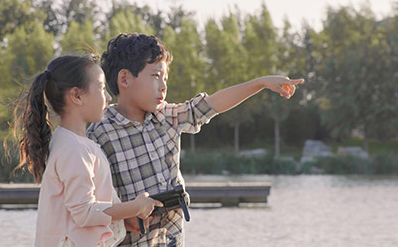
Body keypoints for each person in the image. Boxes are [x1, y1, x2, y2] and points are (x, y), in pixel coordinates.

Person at [87, 33, 304, 246]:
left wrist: (261, 83)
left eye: (165, 78)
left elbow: (212, 105)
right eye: (155, 76)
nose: (163, 86)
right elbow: (91, 203)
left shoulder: (166, 116)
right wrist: (123, 217)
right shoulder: (101, 131)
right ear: (124, 78)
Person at [8, 54, 163, 247]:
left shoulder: (66, 141)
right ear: (77, 96)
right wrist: (136, 207)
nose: (108, 97)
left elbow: (77, 212)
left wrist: (123, 218)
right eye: (101, 88)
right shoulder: (74, 149)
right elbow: (85, 213)